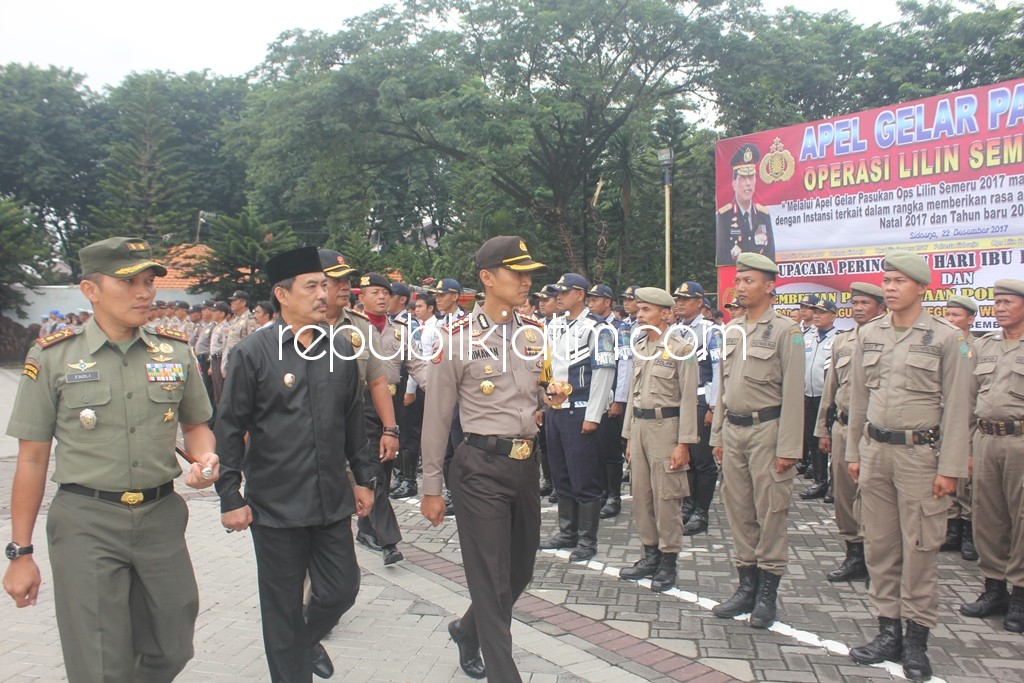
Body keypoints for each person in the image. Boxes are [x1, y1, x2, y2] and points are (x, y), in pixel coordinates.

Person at [4, 236, 219, 681]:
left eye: (148, 281)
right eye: (128, 282)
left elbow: (197, 426)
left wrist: (206, 458)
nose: (144, 292)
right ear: (90, 290)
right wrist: (20, 552)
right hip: (86, 520)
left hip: (161, 518)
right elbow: (31, 459)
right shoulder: (54, 357)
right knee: (100, 661)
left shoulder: (174, 351)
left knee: (174, 642)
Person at [215, 246, 382, 682]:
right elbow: (229, 427)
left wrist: (364, 478)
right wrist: (230, 495)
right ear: (281, 294)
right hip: (275, 506)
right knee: (282, 607)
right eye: (312, 286)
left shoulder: (341, 348)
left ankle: (303, 642)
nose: (323, 294)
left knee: (342, 589)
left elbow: (352, 422)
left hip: (330, 499)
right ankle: (292, 662)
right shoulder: (253, 352)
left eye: (326, 285)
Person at [420, 235, 547, 682]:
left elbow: (537, 393)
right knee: (491, 581)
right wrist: (431, 487)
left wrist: (547, 401)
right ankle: (503, 673)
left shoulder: (534, 332)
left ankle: (466, 629)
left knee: (520, 569)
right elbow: (436, 418)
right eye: (517, 272)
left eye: (529, 272)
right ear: (487, 278)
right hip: (479, 468)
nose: (526, 281)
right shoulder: (455, 338)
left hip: (525, 465)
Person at [845, 251, 970, 682]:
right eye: (887, 280)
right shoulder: (870, 334)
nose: (890, 288)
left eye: (899, 281)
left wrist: (950, 467)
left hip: (921, 457)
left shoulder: (946, 337)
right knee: (880, 546)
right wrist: (853, 453)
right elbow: (858, 399)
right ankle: (887, 632)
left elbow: (957, 407)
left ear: (921, 287)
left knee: (919, 550)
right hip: (876, 452)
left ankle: (916, 641)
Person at [710, 252, 804, 629]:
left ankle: (767, 593)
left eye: (749, 280)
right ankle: (745, 587)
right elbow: (724, 388)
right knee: (739, 511)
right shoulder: (732, 329)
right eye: (739, 280)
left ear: (769, 286)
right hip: (733, 430)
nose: (740, 286)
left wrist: (789, 448)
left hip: (768, 430)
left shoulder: (786, 331)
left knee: (770, 511)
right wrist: (717, 434)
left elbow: (794, 394)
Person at [618, 287, 698, 592]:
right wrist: (627, 436)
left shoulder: (681, 346)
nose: (640, 315)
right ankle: (649, 554)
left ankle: (668, 562)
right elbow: (632, 394)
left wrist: (684, 443)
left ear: (665, 314)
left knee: (667, 498)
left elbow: (689, 398)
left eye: (647, 310)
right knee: (641, 496)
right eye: (639, 310)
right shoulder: (640, 344)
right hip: (639, 426)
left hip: (667, 428)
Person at [959, 279, 1024, 633]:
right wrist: (967, 449)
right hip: (985, 440)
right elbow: (969, 402)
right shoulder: (984, 347)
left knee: (1022, 519)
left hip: (1020, 443)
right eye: (996, 302)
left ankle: (1020, 596)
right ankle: (993, 588)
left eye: (1007, 302)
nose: (999, 308)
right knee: (988, 517)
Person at [540, 273, 616, 563]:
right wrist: (544, 399)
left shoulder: (597, 329)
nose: (558, 296)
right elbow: (547, 366)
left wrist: (594, 415)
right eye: (557, 292)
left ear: (580, 295)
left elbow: (604, 373)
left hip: (581, 408)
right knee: (561, 474)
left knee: (584, 476)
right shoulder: (556, 325)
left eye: (564, 292)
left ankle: (587, 539)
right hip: (556, 410)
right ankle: (567, 531)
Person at [815, 282, 884, 582]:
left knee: (876, 498)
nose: (858, 308)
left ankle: (879, 560)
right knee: (844, 496)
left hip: (875, 433)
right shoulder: (843, 341)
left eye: (865, 303)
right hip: (843, 427)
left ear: (881, 308)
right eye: (854, 303)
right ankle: (854, 555)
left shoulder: (889, 340)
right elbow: (831, 389)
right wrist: (823, 430)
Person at [672, 281, 721, 536]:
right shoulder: (675, 330)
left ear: (700, 302)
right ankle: (687, 506)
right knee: (685, 458)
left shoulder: (712, 331)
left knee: (703, 459)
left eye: (685, 299)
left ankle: (701, 512)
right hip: (679, 400)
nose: (679, 302)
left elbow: (719, 372)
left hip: (702, 398)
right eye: (677, 298)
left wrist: (714, 405)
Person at [940, 295, 979, 560]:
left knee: (967, 480)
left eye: (957, 316)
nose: (951, 320)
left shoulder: (980, 346)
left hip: (971, 421)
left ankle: (968, 533)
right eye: (948, 315)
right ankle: (951, 530)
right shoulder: (944, 343)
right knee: (946, 475)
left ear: (970, 319)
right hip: (944, 418)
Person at [586, 283, 626, 519]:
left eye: (596, 298)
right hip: (593, 394)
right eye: (589, 298)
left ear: (608, 302)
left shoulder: (620, 328)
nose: (591, 302)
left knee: (610, 448)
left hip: (611, 396)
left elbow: (624, 366)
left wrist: (619, 399)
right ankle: (600, 491)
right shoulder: (589, 326)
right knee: (595, 448)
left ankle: (614, 496)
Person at [801, 298, 838, 500]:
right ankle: (819, 480)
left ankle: (834, 484)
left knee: (829, 442)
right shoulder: (807, 338)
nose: (817, 315)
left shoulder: (838, 339)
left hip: (827, 399)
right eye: (815, 312)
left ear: (833, 316)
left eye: (822, 312)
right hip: (808, 396)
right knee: (812, 440)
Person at [716, 142, 775, 265]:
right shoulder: (724, 216)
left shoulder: (763, 215)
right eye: (743, 178)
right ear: (733, 183)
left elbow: (770, 257)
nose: (748, 183)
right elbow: (723, 259)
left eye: (751, 177)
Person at [221, 290, 258, 377]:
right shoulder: (234, 319)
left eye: (234, 300)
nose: (231, 303)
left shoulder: (250, 319)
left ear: (243, 303)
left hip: (241, 359)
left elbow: (252, 341)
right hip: (230, 357)